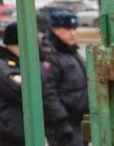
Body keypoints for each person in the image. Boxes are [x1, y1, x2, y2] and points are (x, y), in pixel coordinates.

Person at [41, 10, 89, 146]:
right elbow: (48, 93)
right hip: (65, 124)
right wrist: (61, 122)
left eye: (74, 29)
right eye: (67, 29)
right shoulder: (50, 55)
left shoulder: (71, 52)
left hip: (78, 121)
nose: (72, 33)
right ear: (54, 30)